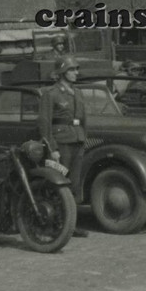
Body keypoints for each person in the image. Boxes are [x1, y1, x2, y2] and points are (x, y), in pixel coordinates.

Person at [38, 56, 90, 237]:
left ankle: (70, 225)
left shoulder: (77, 93)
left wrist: (84, 139)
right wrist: (52, 148)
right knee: (59, 184)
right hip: (61, 143)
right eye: (72, 69)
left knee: (74, 184)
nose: (76, 73)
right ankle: (55, 225)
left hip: (77, 141)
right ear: (62, 72)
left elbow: (84, 120)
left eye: (76, 69)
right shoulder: (51, 94)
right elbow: (44, 123)